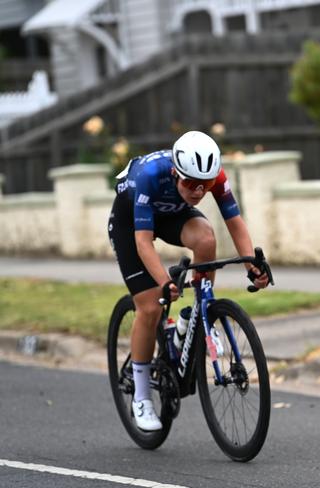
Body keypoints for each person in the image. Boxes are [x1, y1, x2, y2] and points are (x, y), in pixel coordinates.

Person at [108, 130, 269, 431]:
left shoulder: (214, 177)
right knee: (151, 307)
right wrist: (164, 283)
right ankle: (141, 396)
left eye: (204, 186)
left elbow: (234, 222)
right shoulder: (149, 176)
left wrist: (252, 265)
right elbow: (143, 244)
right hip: (131, 223)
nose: (198, 191)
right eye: (190, 184)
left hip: (171, 215)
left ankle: (198, 314)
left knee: (206, 239)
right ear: (175, 173)